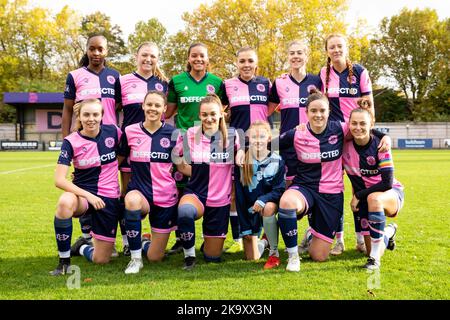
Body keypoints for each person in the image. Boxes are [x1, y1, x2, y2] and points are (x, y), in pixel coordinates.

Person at [278, 89, 390, 272]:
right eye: (313, 111)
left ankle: (311, 234)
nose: (318, 115)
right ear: (306, 112)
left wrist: (384, 136)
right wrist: (243, 147)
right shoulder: (297, 133)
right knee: (287, 201)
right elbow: (269, 144)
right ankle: (293, 257)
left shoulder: (340, 128)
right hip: (305, 187)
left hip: (331, 194)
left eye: (322, 110)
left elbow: (362, 126)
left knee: (319, 256)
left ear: (328, 112)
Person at [117, 91, 190, 274]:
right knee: (131, 201)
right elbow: (116, 162)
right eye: (149, 104)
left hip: (165, 196)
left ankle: (143, 242)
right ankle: (135, 259)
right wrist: (86, 175)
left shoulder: (174, 134)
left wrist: (214, 173)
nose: (153, 108)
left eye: (157, 105)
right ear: (143, 106)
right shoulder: (130, 131)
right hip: (140, 192)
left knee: (155, 257)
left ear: (164, 109)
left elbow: (182, 166)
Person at [62, 34, 120, 253]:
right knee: (84, 185)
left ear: (106, 51)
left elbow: (119, 107)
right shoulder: (75, 76)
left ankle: (115, 240)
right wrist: (66, 139)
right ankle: (87, 237)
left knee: (112, 189)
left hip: (109, 140)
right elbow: (68, 109)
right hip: (83, 141)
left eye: (101, 49)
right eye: (92, 49)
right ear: (86, 50)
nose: (96, 53)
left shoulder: (115, 76)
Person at [50, 99, 122, 276]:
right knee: (65, 202)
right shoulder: (71, 141)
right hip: (83, 197)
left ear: (102, 116)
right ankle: (64, 261)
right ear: (80, 117)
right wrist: (88, 196)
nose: (91, 119)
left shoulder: (114, 132)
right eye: (86, 115)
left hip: (108, 198)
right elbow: (59, 180)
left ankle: (82, 247)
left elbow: (125, 155)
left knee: (102, 260)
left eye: (95, 114)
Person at [173, 94, 245, 270]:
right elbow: (177, 159)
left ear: (222, 113)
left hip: (220, 199)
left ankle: (209, 245)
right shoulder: (191, 134)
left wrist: (242, 152)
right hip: (196, 193)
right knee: (184, 211)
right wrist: (194, 170)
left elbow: (242, 156)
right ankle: (189, 256)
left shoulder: (234, 135)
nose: (208, 118)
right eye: (204, 114)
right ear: (199, 115)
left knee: (212, 258)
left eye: (213, 113)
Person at [165, 43, 224, 254]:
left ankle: (214, 234)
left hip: (211, 142)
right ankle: (182, 237)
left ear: (207, 59)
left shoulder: (217, 83)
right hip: (185, 143)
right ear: (188, 58)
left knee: (216, 183)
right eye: (194, 56)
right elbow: (169, 111)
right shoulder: (177, 81)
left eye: (202, 56)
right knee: (181, 190)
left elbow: (224, 111)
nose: (198, 59)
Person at [320, 33, 375, 255]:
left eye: (339, 46)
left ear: (346, 48)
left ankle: (360, 238)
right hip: (334, 139)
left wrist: (372, 135)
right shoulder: (324, 74)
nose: (336, 50)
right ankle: (338, 239)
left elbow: (369, 107)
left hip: (357, 137)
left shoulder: (360, 72)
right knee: (335, 188)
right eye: (331, 47)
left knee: (358, 188)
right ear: (327, 51)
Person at [115, 42, 169, 256]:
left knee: (160, 190)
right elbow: (110, 107)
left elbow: (170, 111)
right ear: (136, 56)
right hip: (131, 147)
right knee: (126, 195)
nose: (148, 59)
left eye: (153, 56)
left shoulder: (163, 83)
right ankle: (129, 241)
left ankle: (154, 238)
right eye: (144, 55)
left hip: (155, 147)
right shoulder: (123, 81)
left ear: (157, 59)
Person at [221, 47, 272, 253]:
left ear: (256, 63)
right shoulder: (228, 85)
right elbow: (219, 110)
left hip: (263, 146)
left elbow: (272, 107)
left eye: (250, 61)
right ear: (237, 64)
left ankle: (265, 239)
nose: (246, 65)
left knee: (264, 191)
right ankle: (238, 239)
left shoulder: (266, 84)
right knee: (235, 194)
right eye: (242, 61)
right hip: (237, 145)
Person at [343, 98, 403, 270]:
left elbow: (387, 183)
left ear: (371, 125)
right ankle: (389, 232)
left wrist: (358, 196)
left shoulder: (381, 146)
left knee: (374, 199)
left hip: (390, 194)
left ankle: (374, 261)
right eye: (354, 123)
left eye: (363, 123)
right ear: (349, 125)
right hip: (365, 200)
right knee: (370, 248)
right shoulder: (345, 147)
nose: (358, 127)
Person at [268, 40, 323, 184]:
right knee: (288, 186)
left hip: (312, 143)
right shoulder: (279, 82)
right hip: (288, 143)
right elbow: (267, 111)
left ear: (306, 56)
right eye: (292, 53)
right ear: (288, 57)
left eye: (299, 53)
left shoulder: (317, 81)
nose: (295, 56)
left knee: (313, 184)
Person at [234, 121, 285, 267]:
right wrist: (244, 226)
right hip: (249, 211)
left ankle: (273, 252)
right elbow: (240, 196)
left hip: (267, 205)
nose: (258, 140)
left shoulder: (277, 160)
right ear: (248, 137)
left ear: (269, 138)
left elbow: (279, 190)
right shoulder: (242, 162)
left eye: (262, 136)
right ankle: (263, 242)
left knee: (268, 208)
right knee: (252, 258)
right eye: (254, 137)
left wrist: (263, 199)